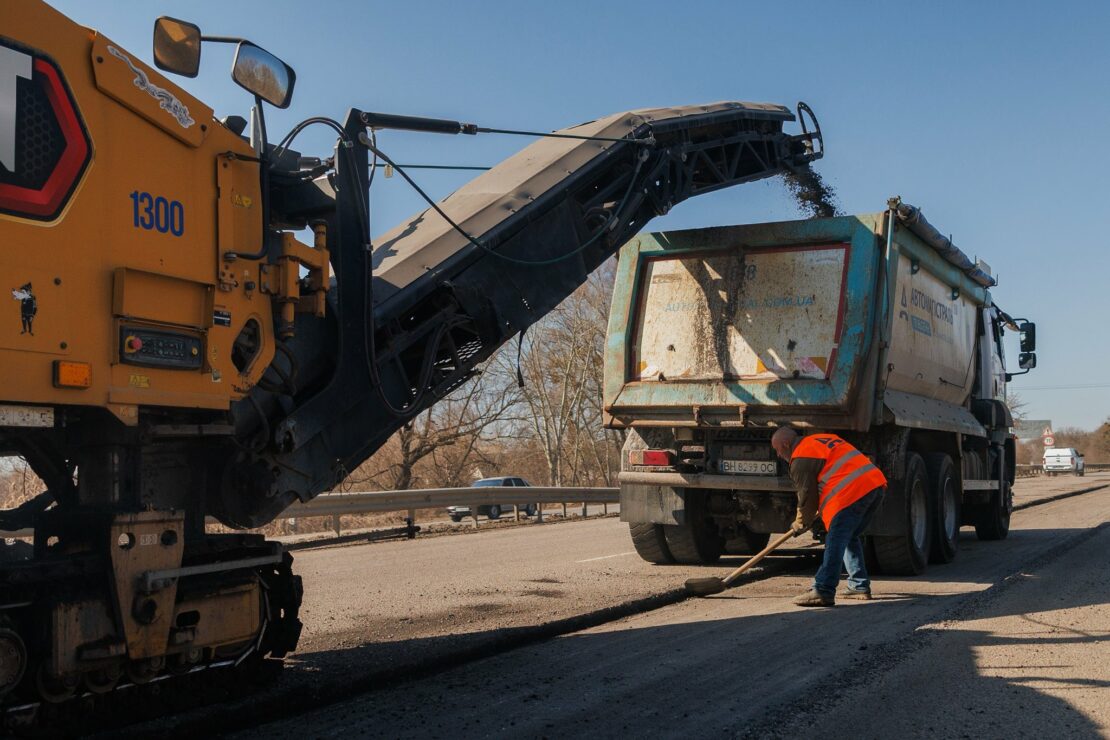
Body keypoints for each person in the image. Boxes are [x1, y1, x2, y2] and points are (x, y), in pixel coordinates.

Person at [770, 427, 887, 607]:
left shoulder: (800, 458)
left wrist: (801, 523)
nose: (778, 455)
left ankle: (823, 589)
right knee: (849, 536)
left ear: (786, 444)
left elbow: (806, 496)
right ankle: (859, 585)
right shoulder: (819, 440)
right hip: (874, 485)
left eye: (777, 449)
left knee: (835, 539)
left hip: (851, 493)